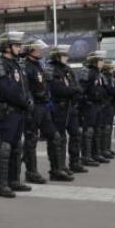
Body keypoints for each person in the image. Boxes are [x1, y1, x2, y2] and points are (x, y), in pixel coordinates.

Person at [0, 31, 34, 197]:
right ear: (7, 47)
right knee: (5, 147)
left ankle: (14, 180)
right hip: (8, 111)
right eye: (16, 45)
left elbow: (25, 87)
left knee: (16, 147)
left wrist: (29, 100)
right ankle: (1, 184)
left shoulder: (16, 64)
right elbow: (5, 89)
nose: (19, 48)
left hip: (19, 111)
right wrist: (24, 101)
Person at [23, 40, 74, 182]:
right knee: (31, 140)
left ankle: (56, 170)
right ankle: (31, 172)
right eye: (37, 49)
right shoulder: (26, 67)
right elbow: (25, 89)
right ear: (30, 50)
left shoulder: (38, 66)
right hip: (34, 108)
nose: (40, 51)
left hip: (44, 107)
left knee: (55, 136)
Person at [45, 44, 87, 174]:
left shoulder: (68, 69)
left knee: (76, 134)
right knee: (60, 137)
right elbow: (58, 89)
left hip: (71, 107)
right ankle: (60, 166)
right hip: (59, 108)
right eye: (63, 55)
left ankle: (74, 162)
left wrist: (75, 91)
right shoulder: (51, 69)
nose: (66, 57)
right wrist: (73, 90)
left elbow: (77, 87)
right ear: (56, 56)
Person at [78, 50, 109, 166]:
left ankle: (96, 153)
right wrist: (84, 101)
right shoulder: (88, 72)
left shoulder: (99, 74)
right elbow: (82, 89)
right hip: (89, 105)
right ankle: (86, 156)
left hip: (98, 105)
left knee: (97, 130)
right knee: (88, 131)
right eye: (100, 60)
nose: (102, 62)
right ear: (94, 62)